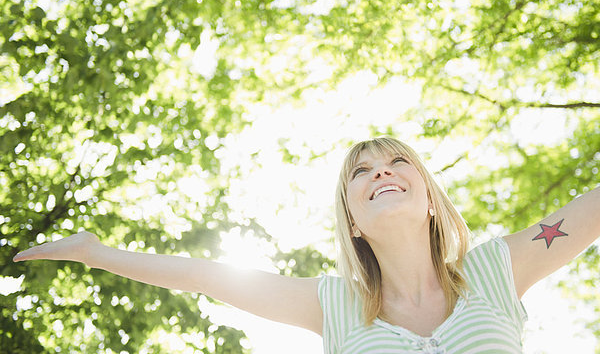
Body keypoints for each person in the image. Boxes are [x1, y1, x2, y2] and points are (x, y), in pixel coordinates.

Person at [13, 137, 600, 353]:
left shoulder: (496, 271)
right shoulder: (334, 307)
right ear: (353, 221)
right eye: (361, 172)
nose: (381, 172)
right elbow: (204, 274)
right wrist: (96, 251)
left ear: (430, 200)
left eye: (399, 163)